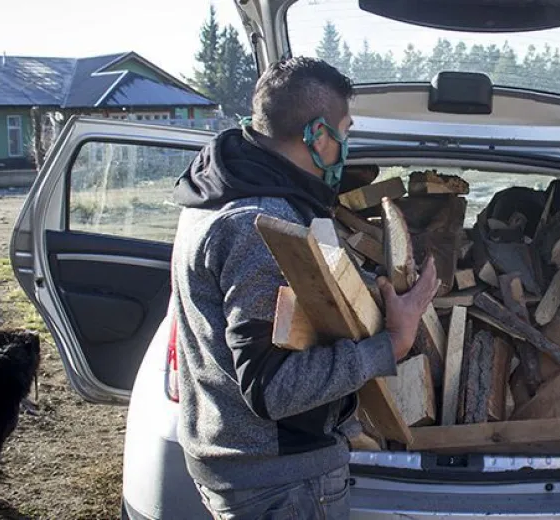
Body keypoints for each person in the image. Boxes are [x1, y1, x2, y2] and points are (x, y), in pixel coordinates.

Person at [169, 57, 438, 519]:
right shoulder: (259, 227)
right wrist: (393, 342)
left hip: (245, 465)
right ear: (317, 135)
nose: (346, 145)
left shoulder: (215, 193)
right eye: (345, 131)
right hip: (277, 483)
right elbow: (273, 389)